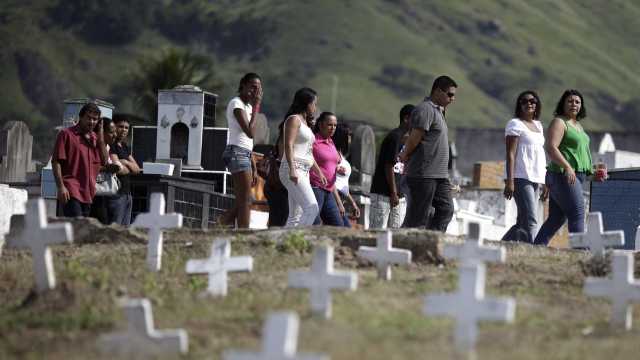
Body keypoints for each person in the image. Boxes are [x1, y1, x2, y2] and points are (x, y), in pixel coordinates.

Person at [535, 89, 606, 245]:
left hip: (574, 176)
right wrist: (567, 167)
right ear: (563, 104)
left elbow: (578, 157)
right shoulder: (560, 122)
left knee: (556, 219)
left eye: (577, 101)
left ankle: (537, 247)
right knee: (578, 213)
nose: (574, 104)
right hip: (562, 175)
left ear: (581, 106)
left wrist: (593, 174)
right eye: (570, 101)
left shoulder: (579, 127)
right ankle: (581, 252)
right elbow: (551, 147)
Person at [398, 75, 457, 231]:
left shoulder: (439, 112)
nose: (452, 99)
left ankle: (432, 241)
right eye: (449, 94)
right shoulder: (426, 109)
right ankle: (406, 244)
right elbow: (414, 138)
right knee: (418, 218)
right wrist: (404, 155)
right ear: (438, 91)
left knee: (446, 209)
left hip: (439, 175)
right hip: (424, 173)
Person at [501, 91, 548, 243]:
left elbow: (540, 154)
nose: (529, 103)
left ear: (537, 104)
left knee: (522, 221)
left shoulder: (538, 126)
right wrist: (510, 181)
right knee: (531, 219)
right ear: (519, 105)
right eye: (525, 101)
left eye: (533, 101)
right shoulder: (515, 124)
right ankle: (531, 250)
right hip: (520, 177)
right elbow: (510, 154)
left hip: (536, 177)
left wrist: (546, 180)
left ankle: (500, 246)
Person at [279, 87, 326, 227]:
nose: (315, 107)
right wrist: (292, 169)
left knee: (295, 216)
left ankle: (285, 245)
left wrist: (318, 172)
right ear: (306, 103)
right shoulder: (294, 120)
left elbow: (308, 153)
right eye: (314, 103)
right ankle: (299, 240)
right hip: (293, 168)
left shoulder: (305, 124)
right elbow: (288, 144)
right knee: (312, 207)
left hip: (304, 170)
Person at [52, 103, 110, 217]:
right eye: (89, 118)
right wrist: (61, 187)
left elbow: (104, 161)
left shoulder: (96, 139)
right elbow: (56, 162)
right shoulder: (66, 134)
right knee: (76, 228)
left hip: (89, 194)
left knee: (82, 231)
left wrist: (101, 137)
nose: (92, 122)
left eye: (95, 119)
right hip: (71, 191)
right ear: (81, 117)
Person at [221, 73, 262, 228]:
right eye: (252, 86)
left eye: (258, 88)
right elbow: (250, 132)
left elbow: (249, 140)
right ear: (243, 85)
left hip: (244, 153)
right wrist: (257, 105)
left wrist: (253, 165)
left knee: (242, 201)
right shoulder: (236, 103)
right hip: (236, 152)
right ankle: (243, 235)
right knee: (246, 200)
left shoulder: (249, 107)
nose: (255, 91)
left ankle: (219, 226)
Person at [369, 104, 414, 229]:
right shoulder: (395, 137)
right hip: (384, 193)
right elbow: (389, 166)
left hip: (399, 195)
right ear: (406, 119)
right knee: (377, 230)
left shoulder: (407, 140)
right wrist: (393, 192)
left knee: (396, 232)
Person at [310, 112, 345, 226]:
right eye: (330, 125)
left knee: (338, 226)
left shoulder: (331, 142)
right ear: (320, 125)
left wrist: (338, 169)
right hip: (315, 187)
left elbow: (329, 164)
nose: (333, 128)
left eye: (335, 125)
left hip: (329, 190)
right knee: (313, 223)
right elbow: (306, 159)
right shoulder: (313, 141)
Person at [90, 118, 126, 224]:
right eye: (111, 132)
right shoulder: (93, 145)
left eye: (115, 132)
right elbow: (92, 165)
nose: (115, 135)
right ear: (101, 132)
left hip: (104, 194)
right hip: (94, 193)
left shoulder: (107, 147)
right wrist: (108, 168)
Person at [107, 117, 141, 225]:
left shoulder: (124, 146)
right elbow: (118, 170)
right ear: (114, 127)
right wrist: (127, 167)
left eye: (126, 127)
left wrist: (125, 162)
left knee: (124, 231)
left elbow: (137, 169)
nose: (124, 130)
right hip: (116, 194)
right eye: (121, 126)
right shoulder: (111, 145)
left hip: (127, 194)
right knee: (115, 229)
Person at [333, 122, 360, 227]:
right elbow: (333, 183)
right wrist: (339, 203)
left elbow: (343, 184)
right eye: (348, 135)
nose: (350, 139)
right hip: (334, 197)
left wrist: (352, 203)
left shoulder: (340, 154)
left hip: (341, 198)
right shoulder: (333, 153)